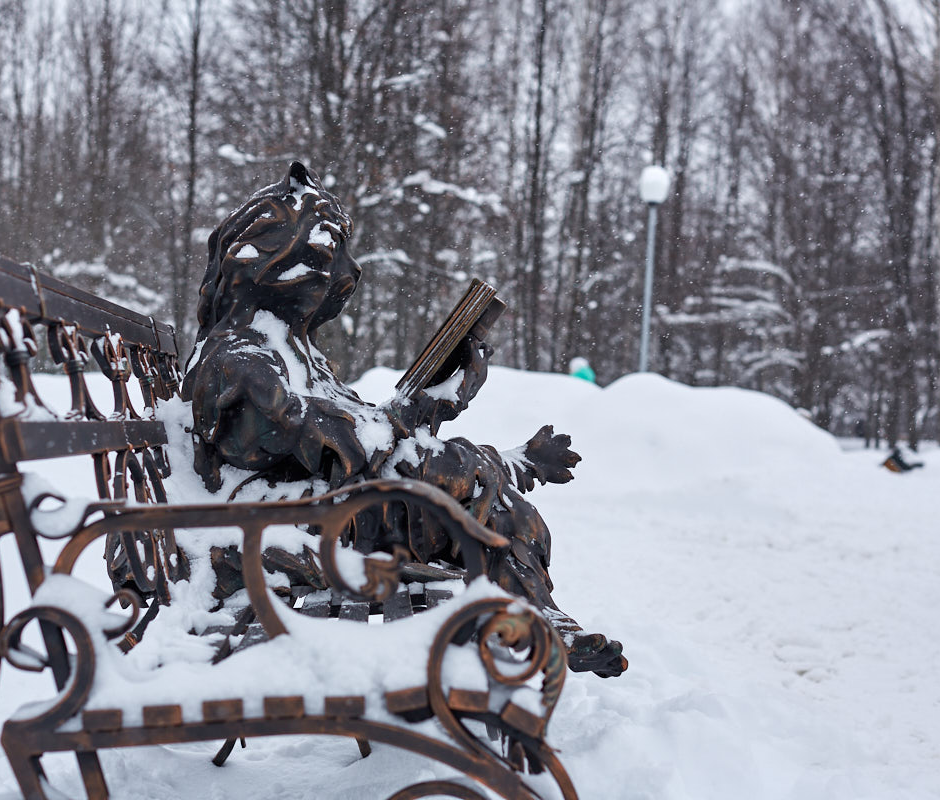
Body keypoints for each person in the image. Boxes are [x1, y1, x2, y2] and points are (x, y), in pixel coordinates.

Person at [182, 162, 626, 677]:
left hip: (316, 516)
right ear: (276, 262)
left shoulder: (287, 350)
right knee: (481, 499)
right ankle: (530, 605)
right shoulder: (243, 360)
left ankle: (539, 615)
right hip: (281, 538)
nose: (350, 272)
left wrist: (437, 403)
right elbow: (346, 448)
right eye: (332, 254)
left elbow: (356, 436)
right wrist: (435, 408)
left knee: (487, 503)